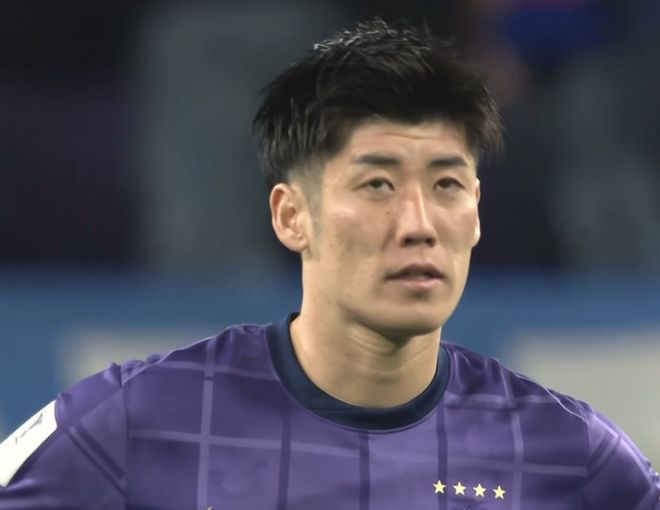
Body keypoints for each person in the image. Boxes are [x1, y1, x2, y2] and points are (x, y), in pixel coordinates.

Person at [0, 18, 658, 510]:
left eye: (446, 185)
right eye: (377, 185)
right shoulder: (137, 419)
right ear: (292, 216)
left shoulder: (570, 456)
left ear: (477, 210)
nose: (418, 224)